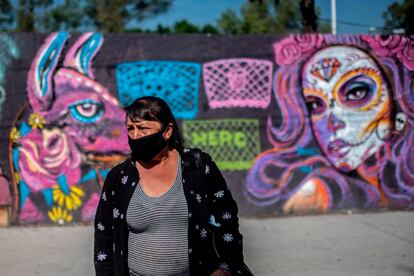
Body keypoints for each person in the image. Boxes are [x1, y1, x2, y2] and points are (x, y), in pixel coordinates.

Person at [246, 35, 413, 212]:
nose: (333, 122)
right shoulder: (318, 191)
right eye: (315, 105)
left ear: (397, 108)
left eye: (356, 93)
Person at [94, 96, 252, 276]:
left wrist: (225, 268)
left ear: (167, 131)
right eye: (130, 129)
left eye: (143, 128)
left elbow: (227, 218)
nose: (135, 136)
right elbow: (104, 237)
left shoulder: (197, 166)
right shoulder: (119, 177)